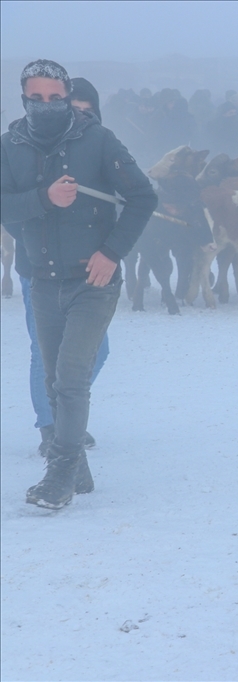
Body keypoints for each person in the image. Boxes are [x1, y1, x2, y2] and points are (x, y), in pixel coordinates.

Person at [1, 59, 157, 509]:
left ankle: (61, 471)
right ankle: (79, 472)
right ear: (24, 98)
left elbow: (143, 196)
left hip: (94, 278)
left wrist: (112, 252)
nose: (46, 106)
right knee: (53, 379)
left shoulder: (98, 139)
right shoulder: (9, 146)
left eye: (55, 98)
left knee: (71, 376)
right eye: (37, 98)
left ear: (68, 96)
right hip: (42, 279)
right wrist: (42, 199)